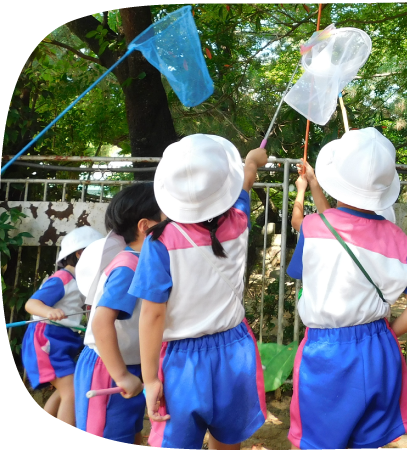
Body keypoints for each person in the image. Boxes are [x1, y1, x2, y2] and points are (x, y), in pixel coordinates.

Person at [286, 128, 407, 449]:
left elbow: (326, 233)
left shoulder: (312, 228)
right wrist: (387, 331)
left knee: (312, 442)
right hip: (379, 348)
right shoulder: (399, 239)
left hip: (326, 354)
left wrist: (309, 185)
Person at [130, 134, 268, 450]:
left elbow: (152, 314)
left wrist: (150, 379)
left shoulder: (158, 242)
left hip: (181, 364)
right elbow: (244, 186)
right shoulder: (240, 220)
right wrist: (251, 162)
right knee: (228, 441)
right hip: (234, 352)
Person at [73, 183, 162, 449]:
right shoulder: (128, 266)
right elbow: (100, 322)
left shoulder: (142, 261)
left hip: (127, 367)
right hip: (108, 368)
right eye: (168, 219)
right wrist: (121, 375)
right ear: (145, 226)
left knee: (125, 437)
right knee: (106, 441)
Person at [21, 225, 103, 450]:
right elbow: (31, 304)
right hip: (47, 340)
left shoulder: (80, 282)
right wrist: (48, 311)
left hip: (61, 341)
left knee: (67, 390)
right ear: (80, 254)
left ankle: (47, 438)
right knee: (73, 393)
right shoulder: (63, 278)